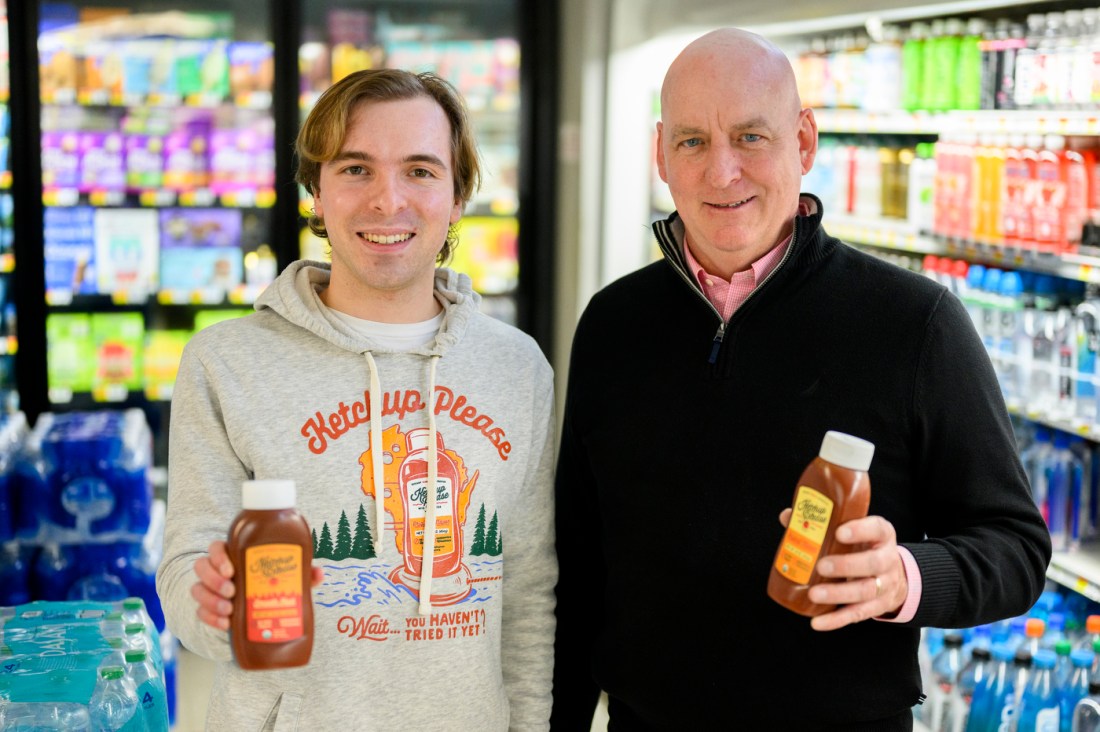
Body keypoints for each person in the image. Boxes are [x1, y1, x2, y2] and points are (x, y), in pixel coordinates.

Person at [550, 28, 1051, 731]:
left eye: (751, 137)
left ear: (805, 142)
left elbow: (1016, 548)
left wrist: (903, 576)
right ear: (661, 152)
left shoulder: (915, 323)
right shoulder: (612, 324)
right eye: (693, 141)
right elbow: (575, 562)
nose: (722, 173)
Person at [155, 68, 557, 731]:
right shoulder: (226, 361)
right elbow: (185, 575)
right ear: (316, 190)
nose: (386, 200)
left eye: (421, 171)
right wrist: (216, 605)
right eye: (356, 169)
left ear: (458, 196)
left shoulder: (517, 368)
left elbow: (528, 593)